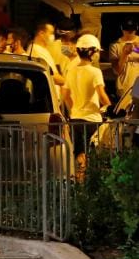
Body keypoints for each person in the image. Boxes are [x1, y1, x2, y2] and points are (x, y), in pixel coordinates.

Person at [63, 34, 112, 165]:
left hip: (75, 119)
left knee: (79, 154)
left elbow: (65, 95)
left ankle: (80, 176)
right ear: (91, 52)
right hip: (92, 120)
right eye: (97, 51)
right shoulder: (95, 72)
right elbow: (101, 94)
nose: (98, 54)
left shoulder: (71, 71)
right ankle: (88, 176)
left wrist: (73, 109)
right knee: (92, 155)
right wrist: (110, 108)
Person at [28, 20, 64, 86]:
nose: (53, 36)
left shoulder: (42, 49)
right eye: (51, 33)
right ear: (41, 33)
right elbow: (50, 75)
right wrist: (65, 82)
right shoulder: (37, 50)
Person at [110, 20, 139, 99]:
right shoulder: (115, 45)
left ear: (136, 28)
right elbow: (117, 71)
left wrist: (137, 49)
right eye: (127, 29)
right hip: (125, 86)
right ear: (122, 29)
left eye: (132, 30)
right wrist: (124, 54)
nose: (129, 32)